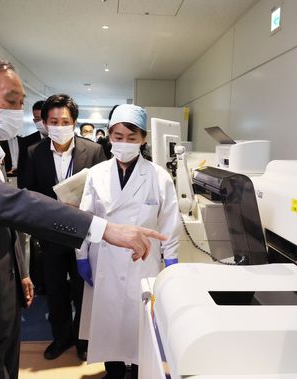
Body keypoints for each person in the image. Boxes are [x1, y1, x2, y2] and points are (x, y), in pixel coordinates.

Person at [0, 55, 165, 379]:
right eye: (11, 101)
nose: (18, 111)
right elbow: (15, 204)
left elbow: (1, 221)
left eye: (21, 102)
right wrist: (105, 229)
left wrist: (21, 274)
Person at [76, 104, 180, 379]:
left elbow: (170, 221)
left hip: (143, 261)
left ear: (143, 139)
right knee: (109, 318)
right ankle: (112, 369)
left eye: (131, 138)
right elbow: (85, 217)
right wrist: (82, 256)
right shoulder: (97, 173)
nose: (123, 144)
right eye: (118, 137)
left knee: (138, 318)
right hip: (105, 258)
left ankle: (138, 368)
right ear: (109, 136)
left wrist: (171, 259)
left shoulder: (158, 176)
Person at [24, 94, 106, 362]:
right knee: (56, 290)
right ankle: (61, 338)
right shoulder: (34, 153)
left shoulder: (93, 151)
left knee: (84, 290)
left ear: (74, 122)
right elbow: (29, 193)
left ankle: (83, 339)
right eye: (53, 121)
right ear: (45, 123)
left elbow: (104, 192)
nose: (59, 126)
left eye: (65, 121)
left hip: (84, 234)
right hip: (51, 234)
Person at [17, 100, 46, 189]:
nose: (41, 122)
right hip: (35, 192)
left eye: (43, 118)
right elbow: (22, 170)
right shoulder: (26, 142)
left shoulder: (60, 139)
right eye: (37, 119)